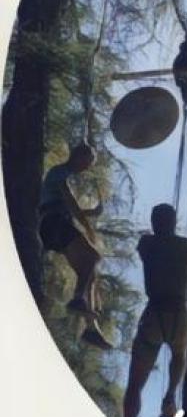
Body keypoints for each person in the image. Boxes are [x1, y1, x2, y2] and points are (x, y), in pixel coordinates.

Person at [122, 204, 187, 417]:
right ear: (174, 222)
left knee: (135, 385)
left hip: (155, 313)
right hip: (181, 313)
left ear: (155, 223)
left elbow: (143, 248)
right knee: (180, 353)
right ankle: (170, 396)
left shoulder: (148, 243)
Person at [38, 142, 113, 350]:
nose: (87, 167)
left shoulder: (62, 176)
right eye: (88, 162)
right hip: (54, 223)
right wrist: (88, 227)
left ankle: (91, 329)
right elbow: (70, 203)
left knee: (89, 273)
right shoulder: (59, 172)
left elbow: (67, 206)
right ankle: (78, 298)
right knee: (94, 257)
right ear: (78, 156)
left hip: (54, 226)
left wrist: (91, 213)